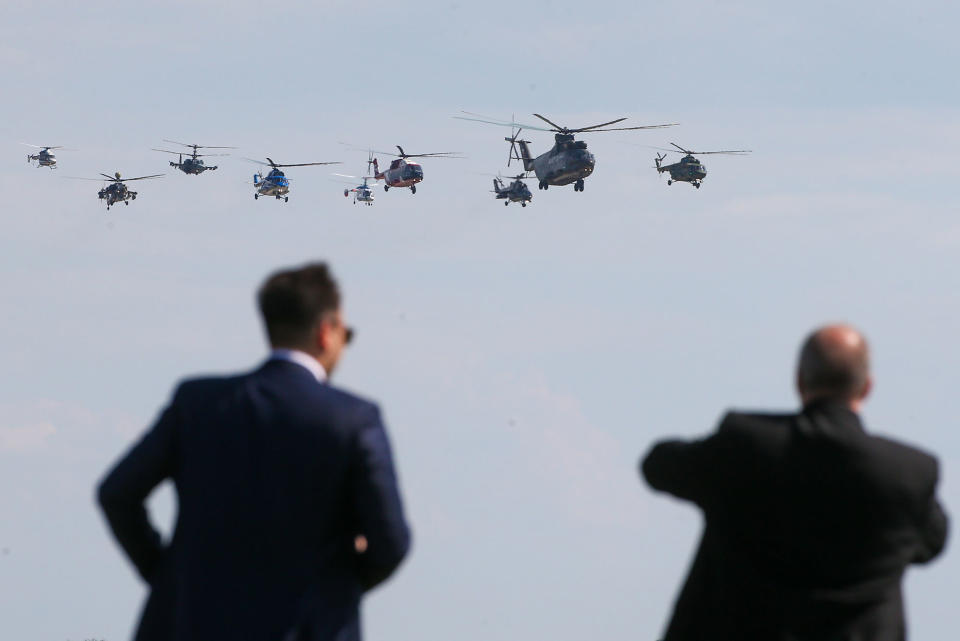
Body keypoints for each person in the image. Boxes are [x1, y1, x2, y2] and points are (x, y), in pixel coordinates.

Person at [97, 262, 411, 641]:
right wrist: (337, 587)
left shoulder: (197, 404)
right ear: (326, 332)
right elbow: (390, 543)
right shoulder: (354, 419)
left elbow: (118, 493)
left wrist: (169, 577)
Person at [642, 324, 948, 641]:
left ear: (799, 380)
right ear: (866, 387)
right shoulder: (907, 474)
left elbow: (658, 466)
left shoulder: (745, 446)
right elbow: (931, 543)